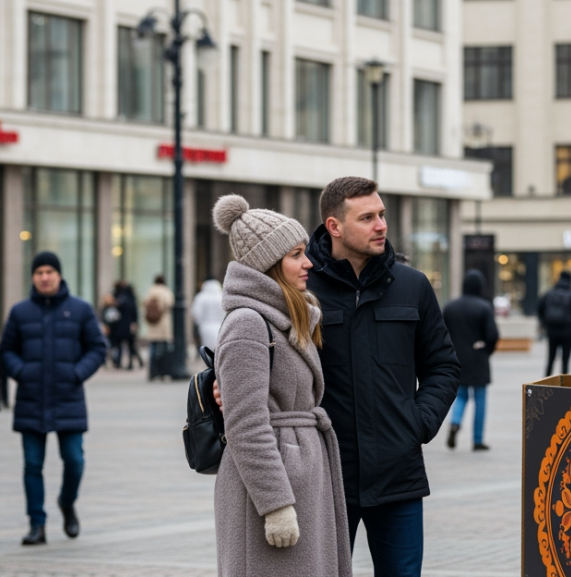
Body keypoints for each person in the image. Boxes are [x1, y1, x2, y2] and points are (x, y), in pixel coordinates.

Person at [218, 177, 458, 576]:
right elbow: (247, 356)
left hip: (398, 475)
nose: (381, 225)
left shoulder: (412, 285)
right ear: (334, 226)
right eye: (367, 217)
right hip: (326, 476)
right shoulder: (300, 289)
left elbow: (443, 366)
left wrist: (417, 424)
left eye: (382, 215)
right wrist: (219, 386)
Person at [210, 195, 352, 576]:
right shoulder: (249, 323)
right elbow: (245, 424)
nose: (308, 263)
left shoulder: (283, 318)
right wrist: (275, 505)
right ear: (269, 264)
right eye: (296, 254)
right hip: (272, 489)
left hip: (299, 474)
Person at [0, 251, 108, 546]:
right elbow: (6, 350)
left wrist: (77, 373)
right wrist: (21, 371)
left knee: (74, 461)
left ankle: (66, 502)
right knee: (32, 465)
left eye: (49, 271)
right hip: (31, 399)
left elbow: (97, 348)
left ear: (59, 275)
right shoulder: (20, 312)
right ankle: (37, 524)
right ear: (33, 277)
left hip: (68, 398)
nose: (44, 277)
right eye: (39, 272)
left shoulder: (80, 309)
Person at [443, 270, 500, 452]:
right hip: (478, 358)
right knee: (480, 399)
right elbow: (493, 335)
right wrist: (486, 351)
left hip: (456, 359)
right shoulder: (483, 307)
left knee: (460, 396)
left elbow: (441, 333)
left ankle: (455, 422)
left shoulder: (450, 307)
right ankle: (477, 440)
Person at [538, 270, 571, 377]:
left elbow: (540, 309)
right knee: (565, 359)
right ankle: (564, 383)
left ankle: (546, 381)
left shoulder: (549, 293)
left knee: (551, 357)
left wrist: (545, 323)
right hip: (568, 331)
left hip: (552, 331)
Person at [143, 275, 175, 380]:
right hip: (163, 323)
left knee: (152, 348)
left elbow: (144, 304)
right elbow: (170, 303)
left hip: (153, 324)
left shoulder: (150, 291)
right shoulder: (166, 291)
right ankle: (162, 371)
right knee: (163, 348)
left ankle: (152, 372)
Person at [108, 281, 142, 370]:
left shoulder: (119, 298)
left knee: (123, 344)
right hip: (126, 324)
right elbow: (135, 312)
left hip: (121, 325)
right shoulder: (129, 297)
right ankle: (131, 362)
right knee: (130, 345)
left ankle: (122, 362)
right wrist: (135, 322)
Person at [191, 276, 226, 353]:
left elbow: (196, 313)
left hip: (205, 326)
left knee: (208, 352)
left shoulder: (201, 297)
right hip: (220, 326)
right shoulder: (222, 296)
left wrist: (200, 323)